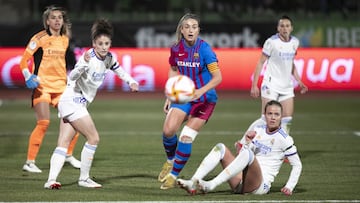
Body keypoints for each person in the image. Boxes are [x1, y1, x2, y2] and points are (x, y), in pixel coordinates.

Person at [44, 18, 139, 189]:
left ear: (110, 44)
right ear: (94, 43)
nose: (104, 46)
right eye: (100, 43)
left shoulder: (109, 58)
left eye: (107, 43)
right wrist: (83, 64)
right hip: (73, 100)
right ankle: (84, 179)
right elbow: (72, 77)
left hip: (74, 102)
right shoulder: (87, 58)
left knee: (63, 143)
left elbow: (120, 70)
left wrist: (131, 81)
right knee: (93, 138)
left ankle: (51, 180)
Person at [177, 100, 302, 196]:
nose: (273, 117)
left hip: (259, 186)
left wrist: (289, 186)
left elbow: (297, 165)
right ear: (265, 115)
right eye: (270, 113)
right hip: (241, 181)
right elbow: (242, 156)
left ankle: (211, 184)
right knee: (220, 148)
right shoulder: (258, 129)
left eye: (276, 114)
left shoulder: (284, 138)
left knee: (248, 154)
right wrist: (246, 142)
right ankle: (193, 182)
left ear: (281, 117)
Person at [159, 13, 222, 190]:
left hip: (205, 99)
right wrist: (169, 96)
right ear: (182, 29)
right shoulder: (176, 48)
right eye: (187, 26)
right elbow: (173, 69)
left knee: (186, 137)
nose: (191, 30)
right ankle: (171, 161)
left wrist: (200, 91)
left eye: (194, 26)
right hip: (185, 96)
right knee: (168, 130)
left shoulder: (205, 50)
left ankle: (173, 175)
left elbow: (218, 77)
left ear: (198, 30)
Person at [19, 5, 81, 173]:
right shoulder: (39, 38)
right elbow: (24, 60)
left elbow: (70, 63)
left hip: (61, 86)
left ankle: (68, 155)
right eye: (53, 18)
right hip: (43, 87)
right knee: (44, 123)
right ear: (47, 21)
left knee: (75, 121)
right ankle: (30, 162)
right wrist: (28, 76)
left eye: (59, 17)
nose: (56, 20)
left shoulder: (65, 39)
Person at [248, 15, 308, 135]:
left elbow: (291, 63)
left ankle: (282, 149)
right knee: (266, 118)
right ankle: (244, 142)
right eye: (282, 26)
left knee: (286, 120)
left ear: (291, 28)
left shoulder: (295, 42)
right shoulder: (271, 42)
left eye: (287, 26)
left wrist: (299, 81)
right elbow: (260, 63)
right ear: (278, 28)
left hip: (286, 86)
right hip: (271, 84)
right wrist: (254, 85)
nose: (284, 28)